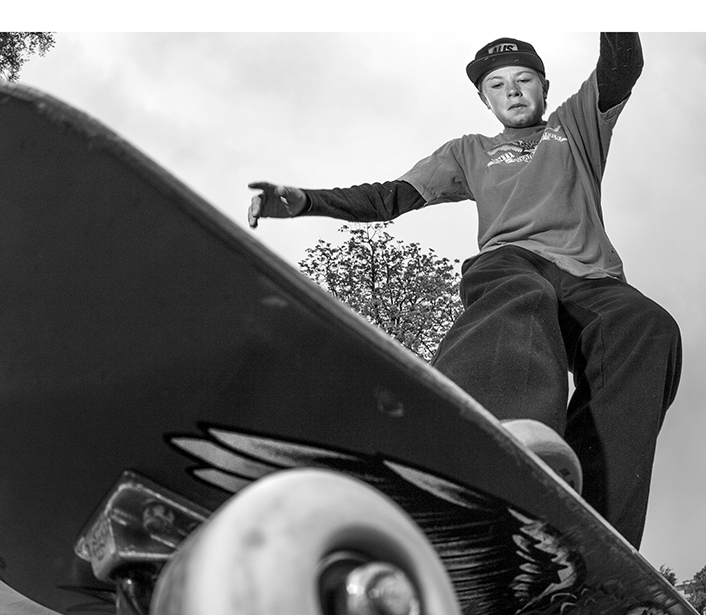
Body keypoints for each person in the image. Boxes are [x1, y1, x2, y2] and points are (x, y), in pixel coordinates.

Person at [248, 34, 680, 550]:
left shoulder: (575, 124)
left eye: (524, 81)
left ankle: (599, 534)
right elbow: (389, 197)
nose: (513, 92)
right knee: (517, 292)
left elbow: (622, 64)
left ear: (545, 86)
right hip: (514, 262)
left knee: (646, 327)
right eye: (497, 85)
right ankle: (490, 444)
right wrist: (304, 201)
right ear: (485, 99)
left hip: (591, 280)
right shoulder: (469, 152)